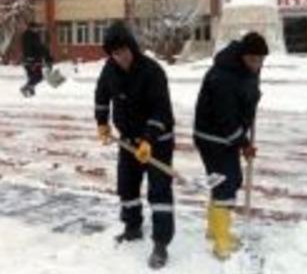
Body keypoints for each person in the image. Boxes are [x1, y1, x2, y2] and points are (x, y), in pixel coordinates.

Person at [94, 21, 175, 269]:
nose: (121, 57)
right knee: (127, 186)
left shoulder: (152, 71)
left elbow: (161, 111)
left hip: (157, 141)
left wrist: (149, 140)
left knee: (159, 191)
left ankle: (161, 243)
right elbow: (101, 95)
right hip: (128, 141)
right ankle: (132, 227)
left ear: (132, 47)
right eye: (115, 54)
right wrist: (102, 123)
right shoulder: (109, 70)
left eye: (124, 51)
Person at [193, 31, 268, 260]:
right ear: (243, 56)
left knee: (227, 180)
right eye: (253, 60)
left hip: (224, 135)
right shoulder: (223, 76)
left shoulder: (246, 70)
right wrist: (244, 144)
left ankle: (214, 230)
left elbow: (247, 97)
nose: (257, 65)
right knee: (226, 182)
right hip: (212, 137)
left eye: (261, 60)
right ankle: (221, 241)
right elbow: (226, 118)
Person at [20, 20, 52, 97]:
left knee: (33, 76)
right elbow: (32, 48)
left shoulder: (34, 36)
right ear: (31, 28)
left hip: (33, 59)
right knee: (38, 76)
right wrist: (30, 59)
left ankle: (30, 92)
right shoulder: (29, 36)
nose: (37, 29)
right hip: (31, 60)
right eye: (35, 28)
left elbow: (40, 47)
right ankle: (26, 88)